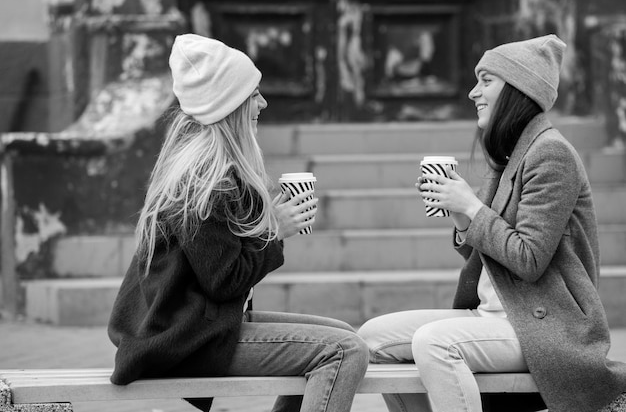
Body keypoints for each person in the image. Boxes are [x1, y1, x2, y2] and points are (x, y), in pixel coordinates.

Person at [357, 34, 626, 412]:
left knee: (434, 342)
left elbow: (528, 259)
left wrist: (472, 206)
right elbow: (488, 248)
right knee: (370, 338)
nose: (472, 92)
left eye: (486, 81)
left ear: (518, 90)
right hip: (496, 314)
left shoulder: (551, 153)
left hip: (547, 325)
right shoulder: (508, 155)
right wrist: (461, 215)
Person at [107, 34, 369, 412]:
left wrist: (265, 222)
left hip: (199, 326)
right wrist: (274, 231)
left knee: (342, 334)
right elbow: (224, 279)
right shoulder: (202, 182)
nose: (263, 103)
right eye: (254, 94)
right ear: (229, 105)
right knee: (345, 351)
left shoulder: (211, 171)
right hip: (183, 339)